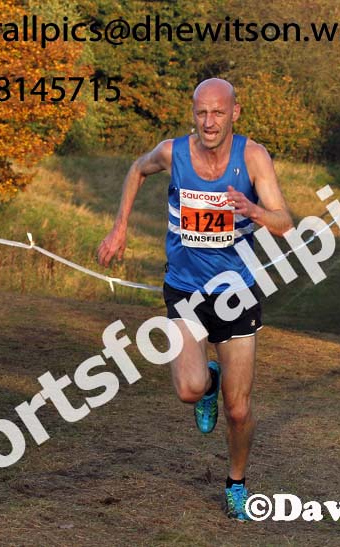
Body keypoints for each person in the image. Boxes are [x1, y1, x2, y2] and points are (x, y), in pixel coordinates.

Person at [96, 78, 293, 521]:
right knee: (188, 391)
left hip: (236, 294)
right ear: (193, 113)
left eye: (218, 113)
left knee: (239, 410)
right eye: (201, 112)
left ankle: (236, 483)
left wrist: (254, 209)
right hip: (185, 290)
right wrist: (120, 227)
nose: (209, 122)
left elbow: (284, 222)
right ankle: (208, 377)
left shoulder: (253, 156)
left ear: (234, 113)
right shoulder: (172, 152)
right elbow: (135, 170)